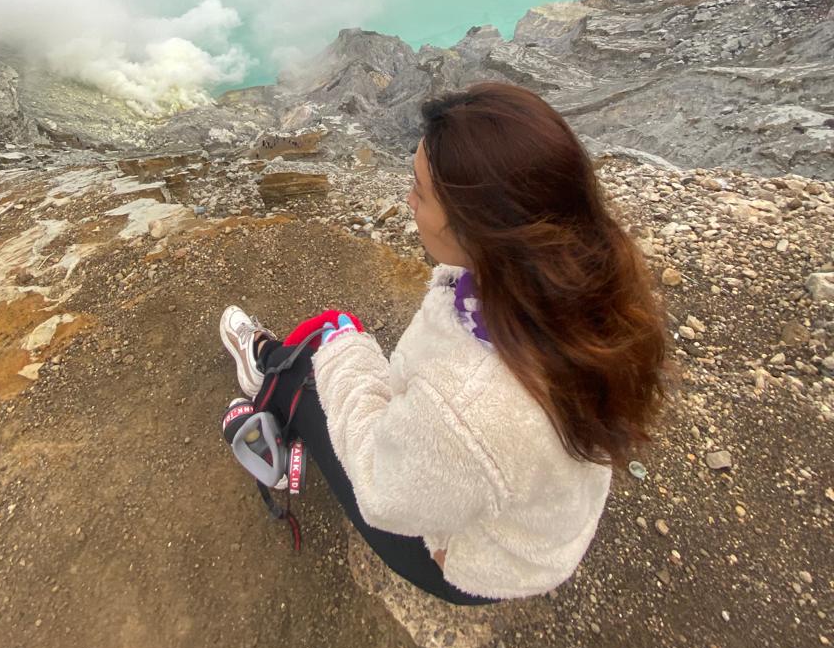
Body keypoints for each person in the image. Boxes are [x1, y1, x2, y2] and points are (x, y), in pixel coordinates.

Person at [220, 82, 668, 604]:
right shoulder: (583, 281)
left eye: (419, 190)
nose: (408, 201)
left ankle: (268, 374)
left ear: (477, 227)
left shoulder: (469, 405)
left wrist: (345, 349)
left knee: (318, 358)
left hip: (469, 562)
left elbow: (382, 491)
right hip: (540, 531)